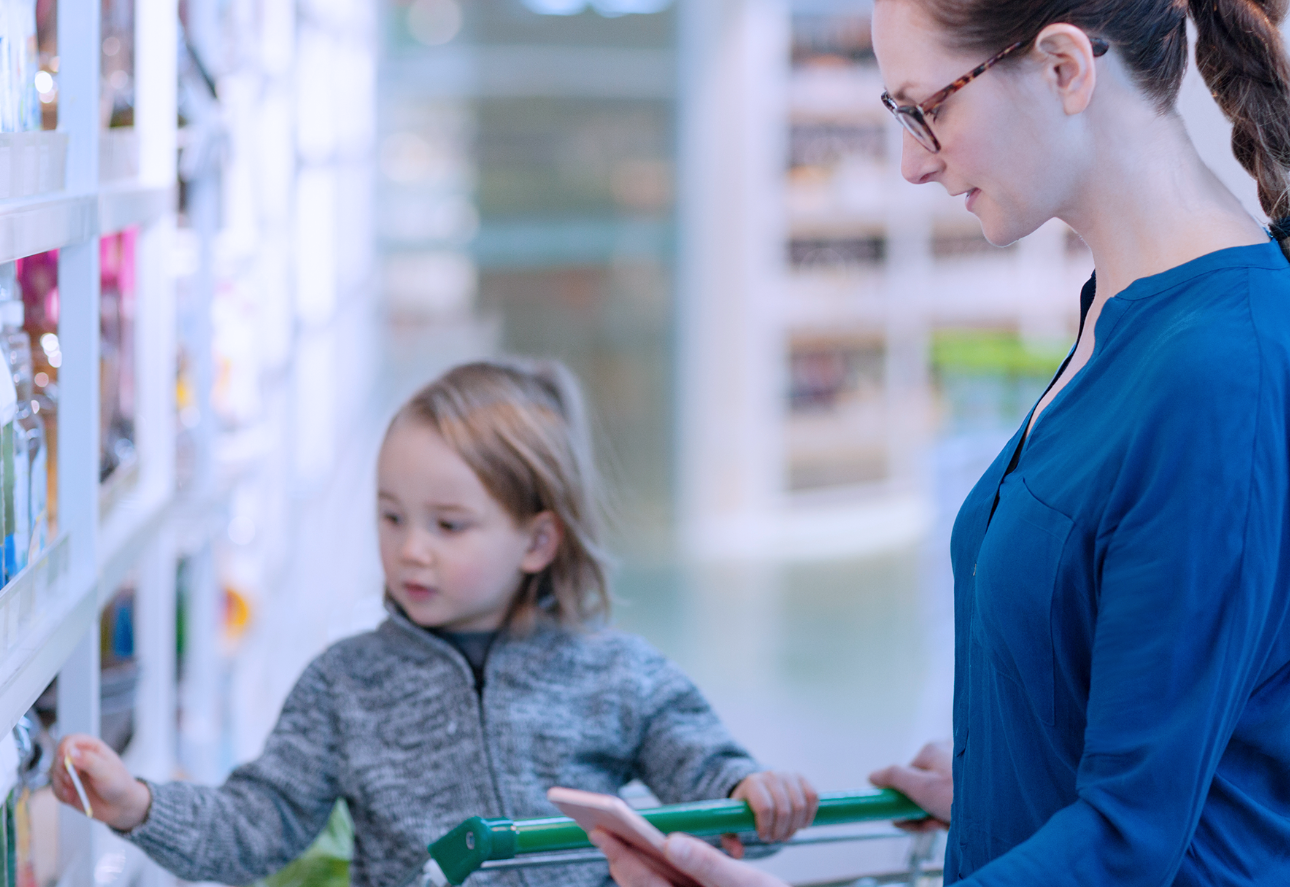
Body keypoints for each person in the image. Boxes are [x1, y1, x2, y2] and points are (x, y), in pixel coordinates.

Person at [593, 0, 1290, 887]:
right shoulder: (1124, 307)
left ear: (1063, 65)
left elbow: (1131, 845)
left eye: (930, 107)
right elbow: (1169, 731)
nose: (916, 162)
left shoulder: (1218, 370)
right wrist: (1008, 776)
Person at [53, 360, 819, 887]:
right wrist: (138, 805)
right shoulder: (344, 684)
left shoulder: (619, 675)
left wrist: (753, 790)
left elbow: (713, 788)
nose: (411, 549)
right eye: (392, 517)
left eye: (449, 526)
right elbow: (260, 820)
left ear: (537, 541)